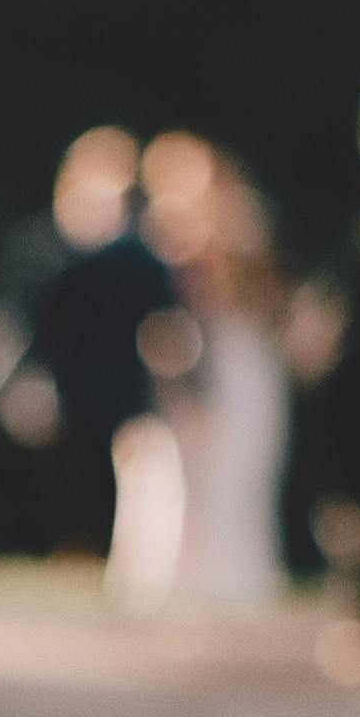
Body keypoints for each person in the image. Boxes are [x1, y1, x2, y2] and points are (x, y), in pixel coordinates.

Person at [0, 124, 192, 595]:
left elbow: (167, 327)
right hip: (54, 407)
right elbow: (10, 324)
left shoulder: (140, 258)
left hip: (120, 409)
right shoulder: (44, 248)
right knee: (62, 506)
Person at [138, 130, 293, 615]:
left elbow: (265, 296)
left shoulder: (240, 223)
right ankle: (190, 575)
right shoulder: (168, 233)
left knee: (245, 461)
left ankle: (243, 576)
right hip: (200, 360)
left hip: (243, 358)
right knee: (193, 468)